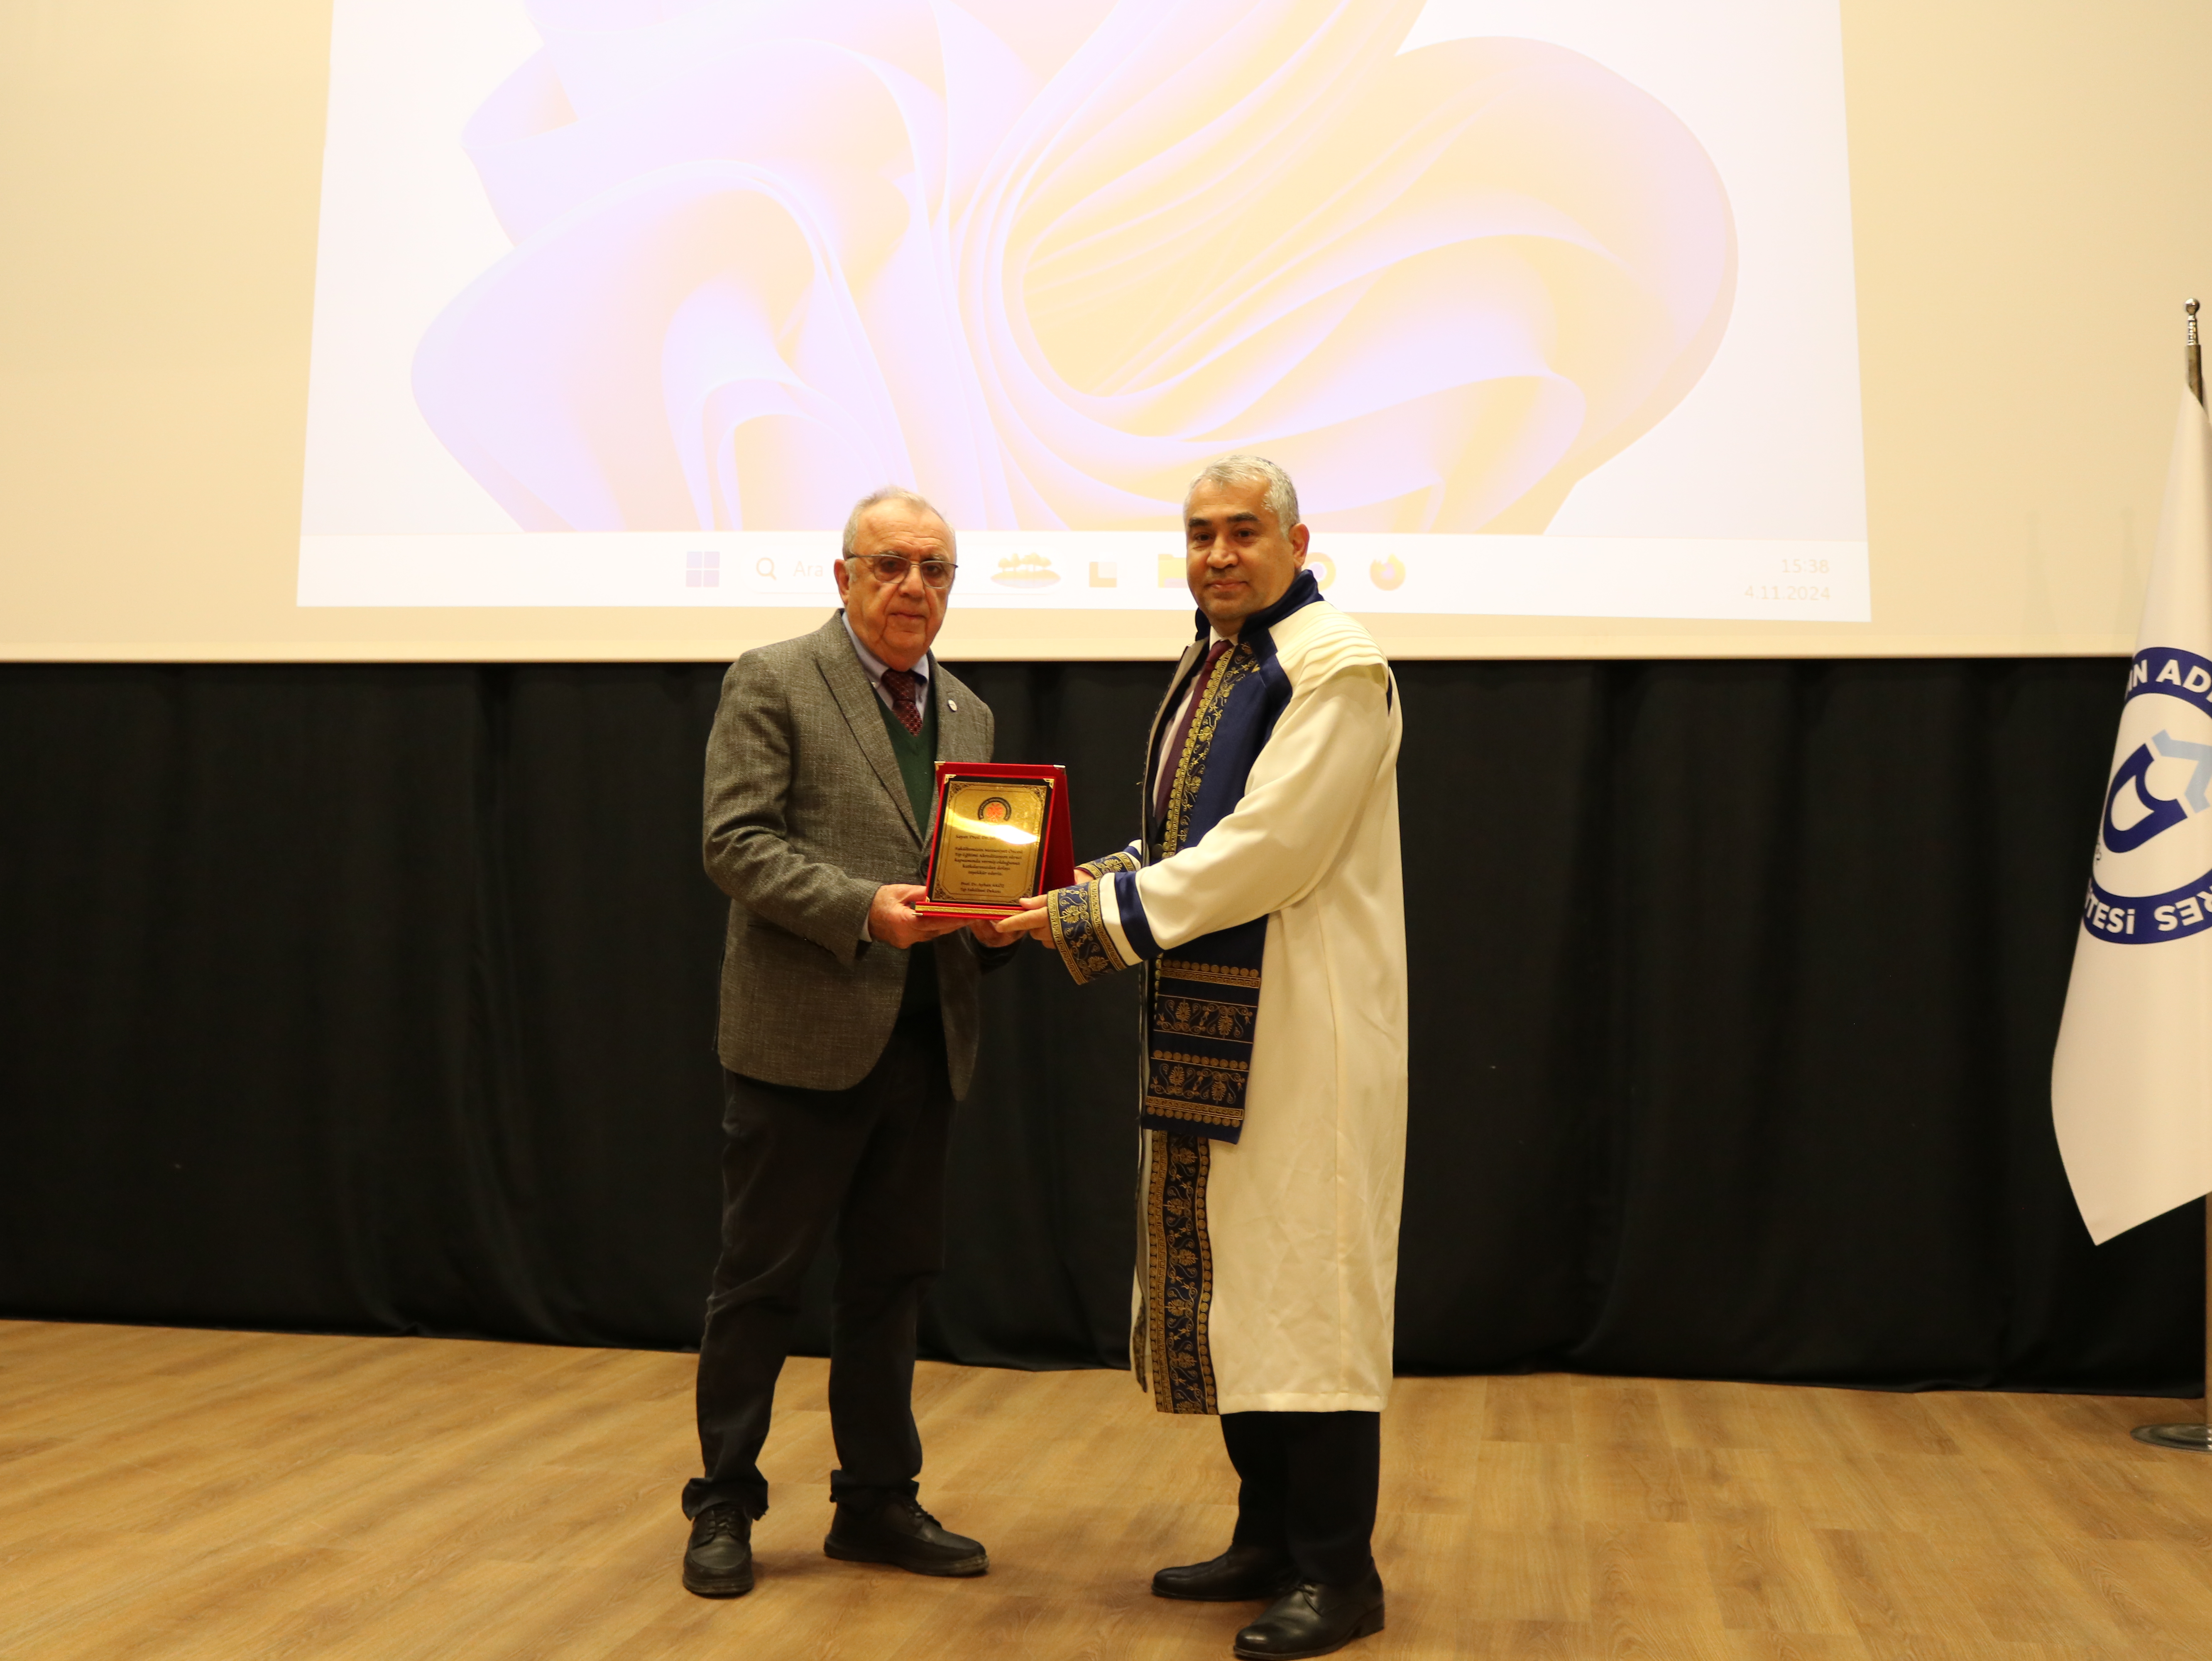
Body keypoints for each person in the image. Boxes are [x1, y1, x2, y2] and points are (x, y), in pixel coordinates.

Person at [985, 455, 1407, 1660]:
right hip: (1218, 1020)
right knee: (1240, 1288)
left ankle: (1340, 1574)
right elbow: (1188, 841)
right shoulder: (1216, 662)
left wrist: (1090, 917)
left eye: (1243, 532)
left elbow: (1269, 852)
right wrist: (1083, 881)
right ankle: (1267, 1538)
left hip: (1307, 1032)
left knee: (1310, 1288)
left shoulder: (1335, 666)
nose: (1218, 554)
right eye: (1200, 534)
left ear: (1297, 542)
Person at [683, 485, 1011, 1598]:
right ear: (843, 576)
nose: (914, 586)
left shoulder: (969, 713)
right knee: (760, 1283)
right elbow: (735, 844)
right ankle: (724, 1501)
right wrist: (860, 908)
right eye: (890, 565)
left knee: (891, 1283)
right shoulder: (773, 678)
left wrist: (1000, 919)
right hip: (801, 1039)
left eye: (935, 568)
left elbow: (968, 873)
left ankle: (875, 1501)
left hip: (926, 1043)